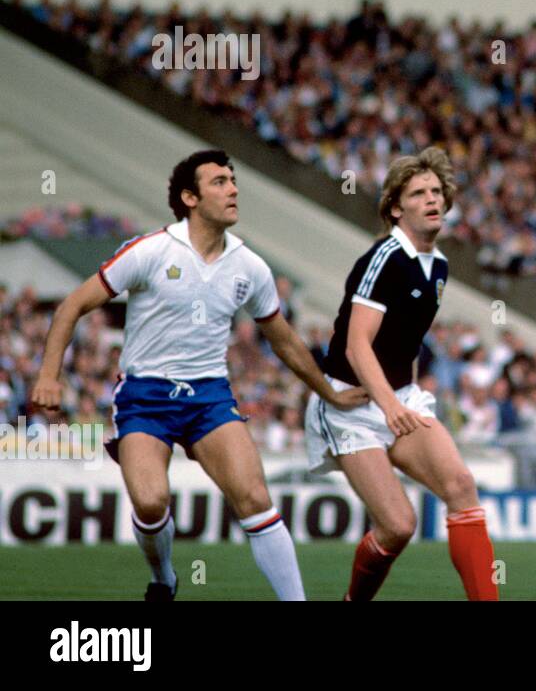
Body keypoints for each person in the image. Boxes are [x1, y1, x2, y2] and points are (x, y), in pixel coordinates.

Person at [32, 150, 367, 600]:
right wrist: (49, 375)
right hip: (144, 396)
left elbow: (284, 340)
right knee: (151, 503)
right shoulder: (151, 251)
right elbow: (72, 305)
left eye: (233, 180)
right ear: (190, 198)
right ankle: (165, 578)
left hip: (209, 397)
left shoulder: (251, 267)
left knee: (255, 499)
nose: (232, 189)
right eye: (219, 182)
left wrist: (328, 392)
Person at [307, 147, 498, 601]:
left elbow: (406, 342)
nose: (432, 199)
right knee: (397, 526)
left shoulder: (440, 265)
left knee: (461, 486)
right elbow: (357, 345)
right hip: (351, 405)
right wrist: (390, 406)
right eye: (418, 193)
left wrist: (403, 396)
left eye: (437, 191)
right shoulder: (385, 257)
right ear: (396, 207)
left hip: (399, 396)